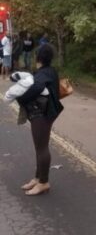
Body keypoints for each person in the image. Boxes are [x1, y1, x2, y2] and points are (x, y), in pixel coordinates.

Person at [17, 43, 64, 196]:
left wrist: (20, 97)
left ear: (38, 57)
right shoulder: (50, 71)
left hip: (42, 115)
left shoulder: (43, 74)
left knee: (42, 148)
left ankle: (43, 182)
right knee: (40, 147)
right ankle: (38, 178)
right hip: (46, 114)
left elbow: (34, 89)